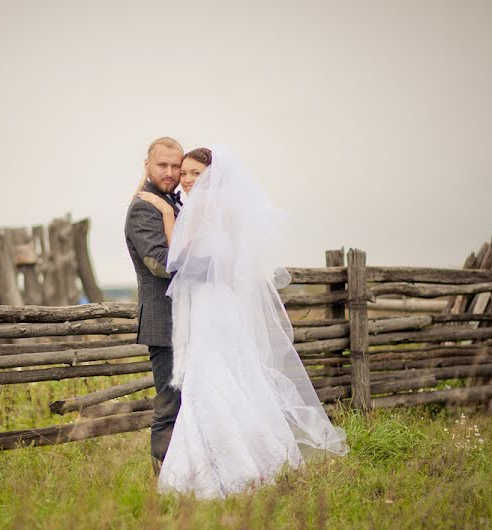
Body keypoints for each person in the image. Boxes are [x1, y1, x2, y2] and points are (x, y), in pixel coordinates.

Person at [139, 146, 348, 499]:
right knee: (233, 378)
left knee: (208, 383)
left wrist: (164, 211)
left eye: (194, 173)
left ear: (213, 178)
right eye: (183, 173)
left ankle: (217, 472)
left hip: (210, 310)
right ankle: (263, 459)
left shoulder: (202, 209)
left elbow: (178, 259)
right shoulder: (224, 210)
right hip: (220, 308)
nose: (186, 179)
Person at [124, 136, 185, 475]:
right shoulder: (145, 207)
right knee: (169, 404)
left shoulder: (169, 201)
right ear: (147, 165)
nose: (170, 172)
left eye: (176, 166)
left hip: (186, 320)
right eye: (163, 165)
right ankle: (164, 482)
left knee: (190, 400)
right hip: (165, 322)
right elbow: (160, 265)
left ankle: (188, 474)